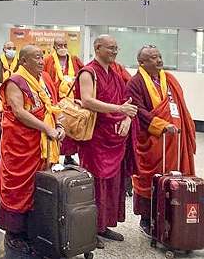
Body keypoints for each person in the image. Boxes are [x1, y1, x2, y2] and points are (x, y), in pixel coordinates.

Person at [0, 45, 64, 253]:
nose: (41, 61)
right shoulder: (15, 82)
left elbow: (53, 105)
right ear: (23, 61)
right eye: (36, 58)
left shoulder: (44, 79)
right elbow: (18, 111)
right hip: (20, 144)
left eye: (42, 57)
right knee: (17, 185)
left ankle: (32, 230)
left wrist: (59, 125)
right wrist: (47, 128)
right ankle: (13, 233)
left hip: (40, 144)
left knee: (38, 185)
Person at [75, 34, 138, 248]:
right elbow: (87, 100)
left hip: (115, 136)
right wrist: (119, 110)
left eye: (116, 48)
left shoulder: (116, 73)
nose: (114, 51)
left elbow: (126, 101)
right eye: (110, 48)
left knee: (112, 184)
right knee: (95, 182)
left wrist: (127, 118)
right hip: (95, 137)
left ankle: (104, 224)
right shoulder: (88, 72)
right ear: (98, 48)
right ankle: (90, 228)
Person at [127, 45, 197, 236]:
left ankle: (173, 213)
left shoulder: (170, 80)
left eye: (159, 56)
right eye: (153, 58)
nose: (159, 60)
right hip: (152, 140)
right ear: (142, 63)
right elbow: (139, 110)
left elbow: (179, 105)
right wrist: (160, 124)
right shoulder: (135, 82)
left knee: (176, 177)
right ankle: (146, 219)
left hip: (175, 140)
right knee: (150, 178)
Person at [43, 37, 84, 165]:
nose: (63, 48)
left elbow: (84, 73)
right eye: (59, 46)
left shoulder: (73, 60)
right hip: (56, 100)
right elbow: (44, 78)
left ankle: (68, 156)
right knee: (57, 127)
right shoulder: (48, 61)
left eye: (64, 45)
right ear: (54, 47)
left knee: (71, 130)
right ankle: (54, 157)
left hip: (72, 100)